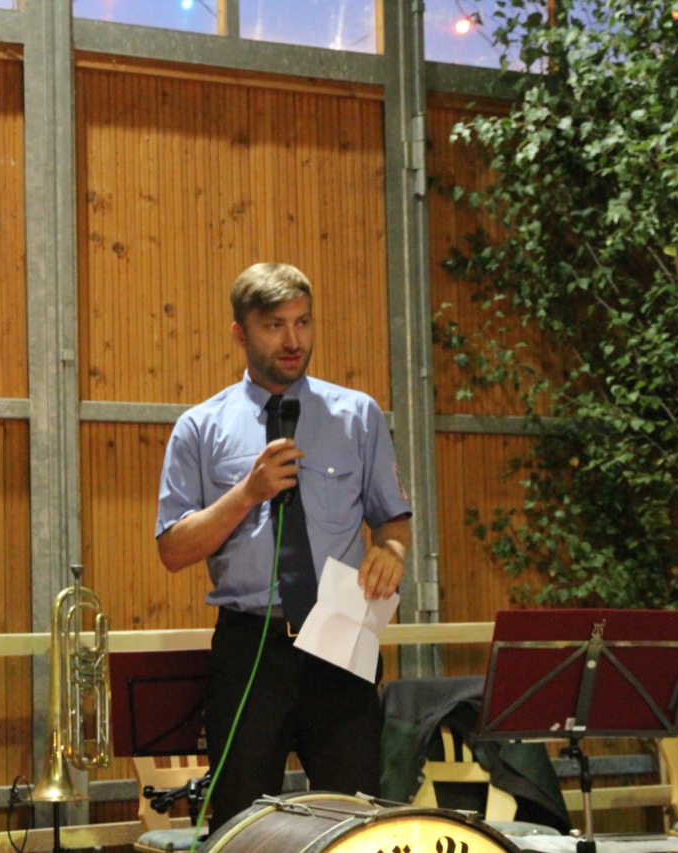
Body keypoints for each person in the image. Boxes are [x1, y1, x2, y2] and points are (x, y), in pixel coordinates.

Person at [155, 262, 413, 830]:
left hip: (340, 634)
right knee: (242, 822)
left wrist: (391, 553)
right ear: (239, 333)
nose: (293, 340)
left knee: (356, 818)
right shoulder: (200, 427)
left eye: (303, 322)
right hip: (251, 644)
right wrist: (246, 493)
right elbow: (173, 550)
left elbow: (393, 525)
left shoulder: (358, 416)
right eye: (274, 326)